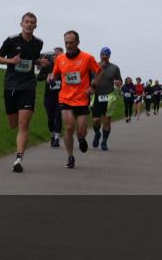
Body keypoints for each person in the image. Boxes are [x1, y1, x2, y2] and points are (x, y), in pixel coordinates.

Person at [0, 13, 51, 172]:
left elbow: (34, 59)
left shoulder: (38, 43)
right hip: (11, 85)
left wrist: (40, 62)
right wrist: (11, 61)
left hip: (28, 86)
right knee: (13, 124)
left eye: (32, 22)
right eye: (26, 22)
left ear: (35, 26)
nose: (29, 24)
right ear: (21, 23)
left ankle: (19, 158)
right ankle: (17, 151)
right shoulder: (11, 40)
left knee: (24, 123)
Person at [49, 31, 102, 169]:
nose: (69, 45)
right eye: (66, 42)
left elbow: (99, 72)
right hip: (65, 98)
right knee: (68, 127)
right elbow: (55, 74)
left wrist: (93, 87)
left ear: (78, 42)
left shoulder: (87, 57)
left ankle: (82, 138)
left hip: (82, 99)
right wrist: (51, 77)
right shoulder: (60, 59)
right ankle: (70, 156)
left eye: (71, 42)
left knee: (81, 130)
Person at [91, 47, 122, 151]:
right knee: (95, 120)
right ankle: (97, 133)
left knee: (107, 121)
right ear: (100, 55)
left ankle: (104, 141)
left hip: (109, 96)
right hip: (96, 95)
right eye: (103, 54)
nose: (104, 56)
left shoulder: (115, 68)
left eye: (107, 55)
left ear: (109, 56)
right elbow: (89, 79)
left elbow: (119, 81)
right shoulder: (94, 66)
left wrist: (118, 83)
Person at [38, 47, 65, 146]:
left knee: (58, 117)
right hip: (49, 97)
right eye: (55, 55)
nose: (56, 56)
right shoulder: (48, 67)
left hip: (60, 96)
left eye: (59, 55)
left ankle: (57, 139)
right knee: (50, 118)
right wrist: (47, 76)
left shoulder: (65, 67)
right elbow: (39, 78)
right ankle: (52, 136)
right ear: (53, 57)